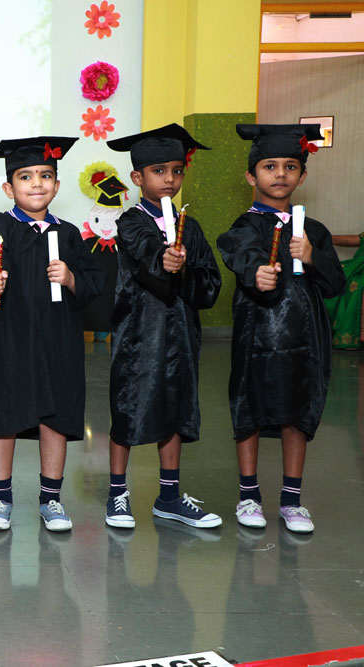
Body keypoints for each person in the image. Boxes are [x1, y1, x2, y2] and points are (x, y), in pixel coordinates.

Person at [0, 136, 105, 531]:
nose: (37, 183)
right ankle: (0, 498)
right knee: (5, 414)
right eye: (25, 176)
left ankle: (51, 499)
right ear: (8, 187)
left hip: (59, 337)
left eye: (45, 176)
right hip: (7, 336)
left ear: (57, 186)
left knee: (56, 413)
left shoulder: (70, 234)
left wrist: (71, 278)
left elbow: (93, 284)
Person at [217, 123, 345, 533]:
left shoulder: (314, 231)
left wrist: (311, 256)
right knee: (250, 410)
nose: (280, 174)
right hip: (258, 334)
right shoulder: (244, 226)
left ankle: (292, 501)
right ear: (251, 176)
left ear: (302, 176)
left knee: (297, 413)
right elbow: (241, 255)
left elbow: (335, 284)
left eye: (290, 166)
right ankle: (249, 496)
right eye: (269, 166)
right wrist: (257, 273)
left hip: (305, 339)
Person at [103, 123, 223, 529]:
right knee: (128, 409)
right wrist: (165, 260)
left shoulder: (193, 227)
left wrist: (186, 269)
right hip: (138, 335)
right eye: (158, 171)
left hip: (182, 337)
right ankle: (117, 494)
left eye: (176, 170)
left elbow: (208, 284)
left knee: (175, 410)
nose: (169, 179)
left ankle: (169, 497)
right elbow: (145, 254)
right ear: (138, 178)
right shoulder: (130, 222)